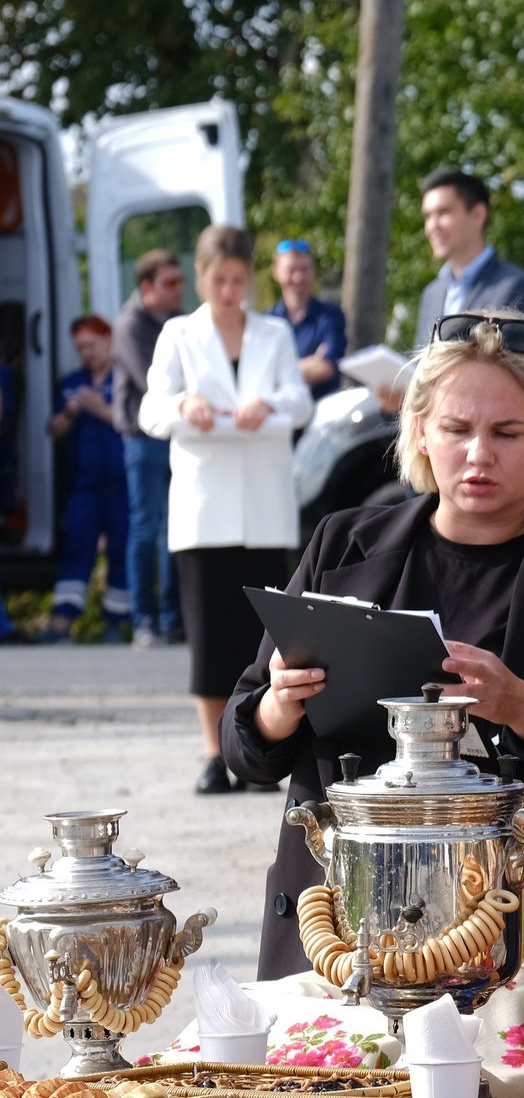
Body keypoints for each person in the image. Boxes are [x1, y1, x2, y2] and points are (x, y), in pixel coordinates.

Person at [222, 311, 524, 1063]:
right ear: (420, 431)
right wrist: (277, 704)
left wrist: (523, 704)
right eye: (457, 428)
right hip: (339, 940)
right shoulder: (342, 543)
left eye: (507, 432)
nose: (478, 453)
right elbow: (245, 748)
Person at [140, 226, 314, 792]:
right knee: (210, 634)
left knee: (263, 634)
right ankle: (215, 752)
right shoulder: (178, 333)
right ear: (200, 275)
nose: (230, 291)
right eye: (220, 280)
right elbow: (150, 411)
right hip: (204, 507)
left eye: (239, 280)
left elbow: (301, 402)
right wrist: (184, 404)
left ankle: (261, 749)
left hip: (263, 504)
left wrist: (267, 404)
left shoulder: (274, 333)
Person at [380, 167, 524, 414]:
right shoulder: (432, 293)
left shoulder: (515, 285)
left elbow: (514, 379)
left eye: (443, 212)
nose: (431, 226)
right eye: (428, 216)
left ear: (477, 215)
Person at [113, 249, 187, 646]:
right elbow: (155, 384)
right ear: (146, 287)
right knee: (145, 528)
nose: (178, 289)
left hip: (176, 435)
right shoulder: (130, 325)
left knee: (174, 530)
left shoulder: (179, 321)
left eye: (181, 281)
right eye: (169, 282)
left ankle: (173, 619)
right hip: (143, 441)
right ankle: (144, 620)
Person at [45, 315, 131, 640]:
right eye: (80, 347)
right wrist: (70, 411)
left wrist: (100, 409)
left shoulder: (125, 379)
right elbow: (53, 430)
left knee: (121, 550)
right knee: (77, 547)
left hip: (122, 483)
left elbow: (138, 422)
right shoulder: (73, 382)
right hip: (83, 484)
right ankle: (61, 624)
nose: (86, 353)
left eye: (92, 345)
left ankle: (115, 625)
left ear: (109, 339)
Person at [268, 239, 348, 395]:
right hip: (277, 409)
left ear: (313, 272)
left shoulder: (331, 316)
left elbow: (325, 368)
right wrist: (312, 363)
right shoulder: (266, 321)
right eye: (291, 270)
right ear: (276, 273)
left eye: (304, 269)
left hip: (322, 407)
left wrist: (276, 372)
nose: (298, 277)